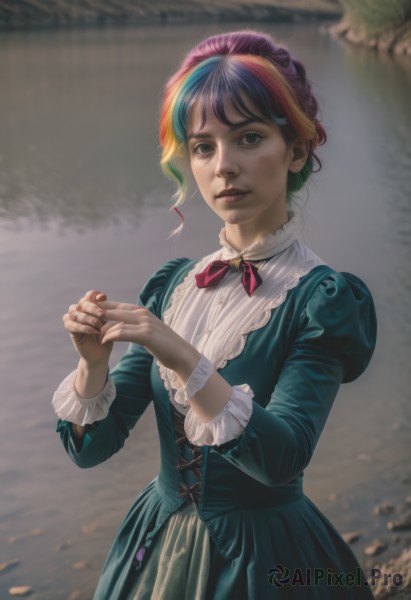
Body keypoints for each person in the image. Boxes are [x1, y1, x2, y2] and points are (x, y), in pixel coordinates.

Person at [52, 30, 377, 599]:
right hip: (154, 543)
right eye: (203, 147)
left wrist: (180, 353)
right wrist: (91, 367)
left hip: (267, 560)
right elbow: (92, 450)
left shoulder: (322, 299)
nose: (224, 166)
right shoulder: (173, 287)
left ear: (296, 150)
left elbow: (281, 459)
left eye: (249, 138)